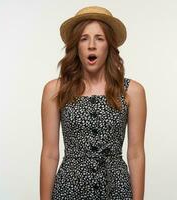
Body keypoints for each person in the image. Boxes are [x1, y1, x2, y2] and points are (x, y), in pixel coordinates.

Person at [40, 6, 147, 200]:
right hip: (69, 189)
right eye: (84, 38)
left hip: (116, 189)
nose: (91, 45)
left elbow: (136, 153)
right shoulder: (55, 90)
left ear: (110, 45)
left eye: (99, 38)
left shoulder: (132, 92)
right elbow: (49, 153)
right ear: (76, 46)